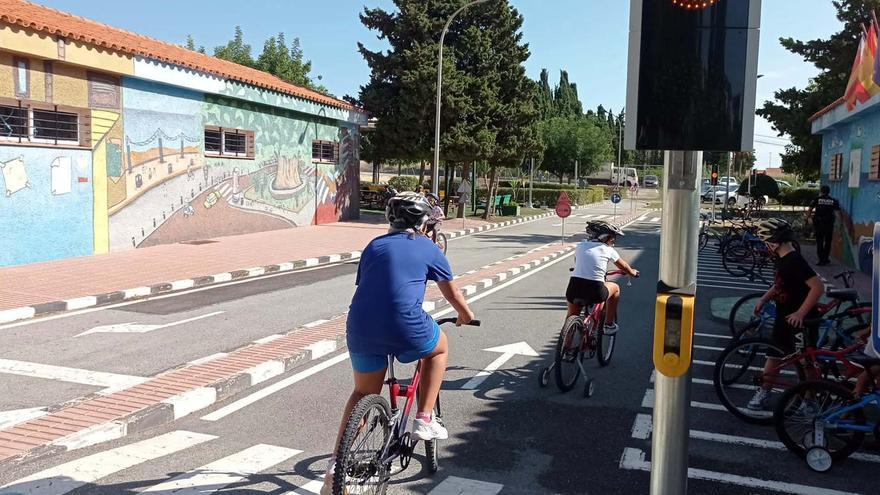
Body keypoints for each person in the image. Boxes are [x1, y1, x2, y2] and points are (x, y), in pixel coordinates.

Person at [321, 192, 474, 495]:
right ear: (424, 223)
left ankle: (336, 466)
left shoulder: (373, 246)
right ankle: (424, 418)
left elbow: (375, 288)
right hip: (406, 326)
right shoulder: (428, 248)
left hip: (361, 326)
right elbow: (453, 294)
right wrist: (466, 315)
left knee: (363, 394)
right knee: (439, 348)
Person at [748, 218, 824, 410]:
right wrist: (764, 299)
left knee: (806, 362)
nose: (766, 246)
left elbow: (817, 287)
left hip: (800, 322)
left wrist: (800, 313)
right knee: (773, 356)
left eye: (766, 242)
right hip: (784, 317)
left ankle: (810, 400)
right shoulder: (783, 260)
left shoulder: (794, 261)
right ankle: (764, 391)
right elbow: (779, 284)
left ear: (774, 242)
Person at [566, 220, 639, 335]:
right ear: (604, 237)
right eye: (612, 237)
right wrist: (632, 273)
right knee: (615, 288)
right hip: (595, 291)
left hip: (573, 288)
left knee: (571, 316)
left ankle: (566, 342)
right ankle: (609, 325)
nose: (614, 240)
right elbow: (623, 266)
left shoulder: (580, 246)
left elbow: (577, 263)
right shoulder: (608, 249)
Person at [806, 185, 840, 266]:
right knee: (828, 242)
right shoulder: (833, 200)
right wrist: (840, 224)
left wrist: (807, 218)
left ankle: (821, 259)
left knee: (820, 241)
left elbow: (810, 209)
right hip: (829, 224)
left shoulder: (817, 199)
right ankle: (826, 258)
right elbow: (838, 213)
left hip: (819, 223)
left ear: (821, 191)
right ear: (829, 191)